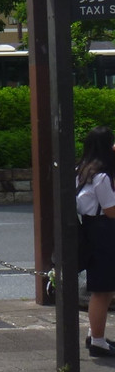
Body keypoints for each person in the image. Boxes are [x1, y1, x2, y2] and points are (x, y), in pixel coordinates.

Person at [76, 125, 115, 357]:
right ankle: (98, 341)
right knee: (103, 290)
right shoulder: (101, 176)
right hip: (103, 231)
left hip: (91, 229)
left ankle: (96, 335)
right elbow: (111, 210)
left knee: (104, 287)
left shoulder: (81, 170)